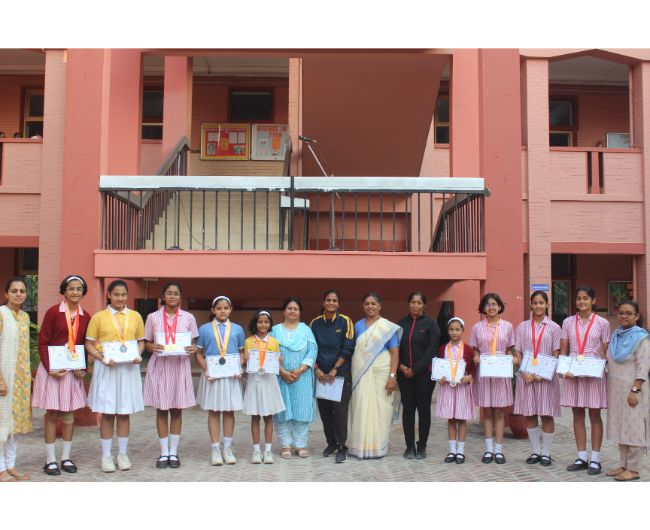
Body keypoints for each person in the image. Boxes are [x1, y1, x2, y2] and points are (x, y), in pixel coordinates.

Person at [33, 275, 92, 476]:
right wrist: (50, 367)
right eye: (71, 288)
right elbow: (43, 342)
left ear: (83, 292)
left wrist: (83, 368)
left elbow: (83, 345)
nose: (75, 292)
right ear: (64, 291)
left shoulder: (86, 316)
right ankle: (50, 460)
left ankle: (66, 457)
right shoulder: (53, 312)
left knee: (69, 414)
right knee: (52, 414)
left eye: (78, 289)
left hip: (71, 372)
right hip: (53, 371)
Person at [85, 279, 146, 473]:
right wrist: (100, 357)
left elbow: (141, 341)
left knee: (124, 411)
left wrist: (138, 355)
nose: (120, 298)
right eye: (116, 294)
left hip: (128, 369)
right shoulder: (99, 317)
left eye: (123, 294)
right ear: (109, 295)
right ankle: (106, 456)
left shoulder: (135, 316)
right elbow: (89, 343)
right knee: (107, 411)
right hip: (107, 368)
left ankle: (122, 454)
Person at [143, 282, 199, 470]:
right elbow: (147, 342)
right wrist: (152, 346)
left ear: (180, 297)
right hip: (160, 366)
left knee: (176, 409)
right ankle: (163, 452)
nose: (172, 296)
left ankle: (173, 452)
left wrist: (192, 348)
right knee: (161, 410)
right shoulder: (152, 317)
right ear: (163, 296)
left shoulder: (188, 318)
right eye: (169, 293)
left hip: (179, 367)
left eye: (176, 293)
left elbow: (193, 343)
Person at [560, 285, 611, 476]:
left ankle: (595, 459)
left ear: (593, 301)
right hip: (574, 372)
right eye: (578, 298)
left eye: (586, 298)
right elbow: (564, 349)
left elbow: (607, 351)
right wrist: (563, 369)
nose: (581, 301)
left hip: (593, 372)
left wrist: (602, 365)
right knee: (577, 415)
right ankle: (581, 457)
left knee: (595, 415)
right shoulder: (567, 322)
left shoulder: (602, 323)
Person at [348, 292, 402, 459]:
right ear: (363, 306)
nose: (370, 306)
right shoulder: (357, 325)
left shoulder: (387, 327)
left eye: (373, 304)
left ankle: (378, 447)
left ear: (379, 306)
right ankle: (358, 446)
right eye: (367, 304)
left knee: (380, 409)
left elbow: (394, 353)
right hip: (361, 373)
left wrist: (392, 376)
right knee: (360, 406)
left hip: (382, 372)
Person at [513, 291, 562, 467]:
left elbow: (556, 353)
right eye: (535, 303)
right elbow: (518, 352)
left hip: (546, 379)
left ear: (547, 305)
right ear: (531, 305)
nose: (538, 306)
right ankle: (535, 452)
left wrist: (546, 372)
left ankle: (546, 453)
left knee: (547, 415)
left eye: (541, 302)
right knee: (530, 414)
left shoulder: (554, 328)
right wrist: (522, 372)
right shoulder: (522, 327)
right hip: (527, 377)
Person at [195, 295, 245, 466]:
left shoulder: (237, 329)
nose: (222, 311)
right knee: (214, 411)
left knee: (229, 411)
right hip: (213, 376)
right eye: (219, 308)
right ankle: (215, 449)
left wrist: (239, 366)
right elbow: (198, 354)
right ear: (213, 310)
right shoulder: (204, 329)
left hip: (231, 376)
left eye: (226, 308)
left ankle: (227, 448)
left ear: (230, 310)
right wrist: (206, 369)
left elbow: (242, 353)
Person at [605, 300, 650, 481]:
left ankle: (634, 469)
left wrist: (635, 390)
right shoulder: (616, 336)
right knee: (621, 427)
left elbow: (643, 367)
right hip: (616, 391)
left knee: (634, 428)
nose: (624, 316)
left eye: (629, 313)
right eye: (621, 313)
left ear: (637, 316)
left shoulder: (641, 338)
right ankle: (623, 465)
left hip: (633, 391)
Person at [469, 292, 516, 465]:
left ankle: (499, 450)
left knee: (499, 412)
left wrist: (512, 358)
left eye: (494, 304)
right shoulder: (477, 327)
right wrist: (476, 356)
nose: (491, 307)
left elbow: (510, 349)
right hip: (485, 371)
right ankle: (488, 450)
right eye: (487, 304)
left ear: (500, 306)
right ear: (483, 308)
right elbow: (475, 349)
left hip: (501, 373)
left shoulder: (508, 326)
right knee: (487, 412)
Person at [310, 290, 355, 463]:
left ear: (338, 304)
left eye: (334, 300)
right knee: (325, 412)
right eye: (328, 300)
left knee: (340, 412)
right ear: (323, 303)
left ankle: (342, 446)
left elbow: (348, 347)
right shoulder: (315, 323)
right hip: (321, 375)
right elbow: (311, 348)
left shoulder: (345, 321)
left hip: (340, 375)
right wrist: (317, 370)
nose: (331, 303)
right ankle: (331, 443)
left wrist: (335, 368)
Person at [271, 297, 318, 459]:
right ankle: (285, 445)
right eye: (289, 308)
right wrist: (282, 371)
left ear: (299, 312)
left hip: (302, 378)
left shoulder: (306, 330)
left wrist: (300, 369)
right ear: (284, 311)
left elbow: (313, 350)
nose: (292, 311)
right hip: (280, 377)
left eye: (295, 309)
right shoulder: (275, 330)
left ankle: (300, 445)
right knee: (282, 412)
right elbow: (270, 351)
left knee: (301, 411)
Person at [396, 291, 440, 459]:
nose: (415, 305)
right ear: (409, 304)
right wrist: (401, 366)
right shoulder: (401, 324)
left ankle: (421, 447)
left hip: (424, 376)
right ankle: (409, 447)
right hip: (404, 375)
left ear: (424, 305)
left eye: (419, 302)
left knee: (423, 411)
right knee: (408, 410)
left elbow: (432, 350)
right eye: (413, 302)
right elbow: (395, 348)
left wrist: (415, 369)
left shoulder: (431, 324)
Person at [242, 310, 285, 464]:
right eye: (260, 322)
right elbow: (245, 367)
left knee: (268, 417)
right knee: (255, 416)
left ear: (270, 324)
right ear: (255, 323)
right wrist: (244, 359)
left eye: (266, 322)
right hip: (254, 381)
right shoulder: (248, 341)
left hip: (269, 382)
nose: (263, 325)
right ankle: (256, 451)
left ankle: (267, 451)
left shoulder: (274, 342)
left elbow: (277, 364)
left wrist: (279, 361)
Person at [0, 277, 32, 482]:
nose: (18, 294)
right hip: (5, 377)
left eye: (22, 291)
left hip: (21, 379)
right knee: (2, 422)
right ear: (6, 294)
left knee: (16, 425)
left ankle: (11, 465)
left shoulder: (25, 317)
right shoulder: (1, 314)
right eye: (14, 291)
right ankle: (1, 468)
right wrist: (0, 380)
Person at [436, 317, 475, 464]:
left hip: (462, 388)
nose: (454, 332)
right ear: (447, 331)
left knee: (461, 418)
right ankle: (452, 450)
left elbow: (473, 369)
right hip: (448, 388)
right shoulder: (442, 349)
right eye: (451, 329)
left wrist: (470, 376)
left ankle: (460, 451)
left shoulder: (468, 349)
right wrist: (439, 378)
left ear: (462, 331)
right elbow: (439, 367)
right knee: (451, 419)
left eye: (457, 329)